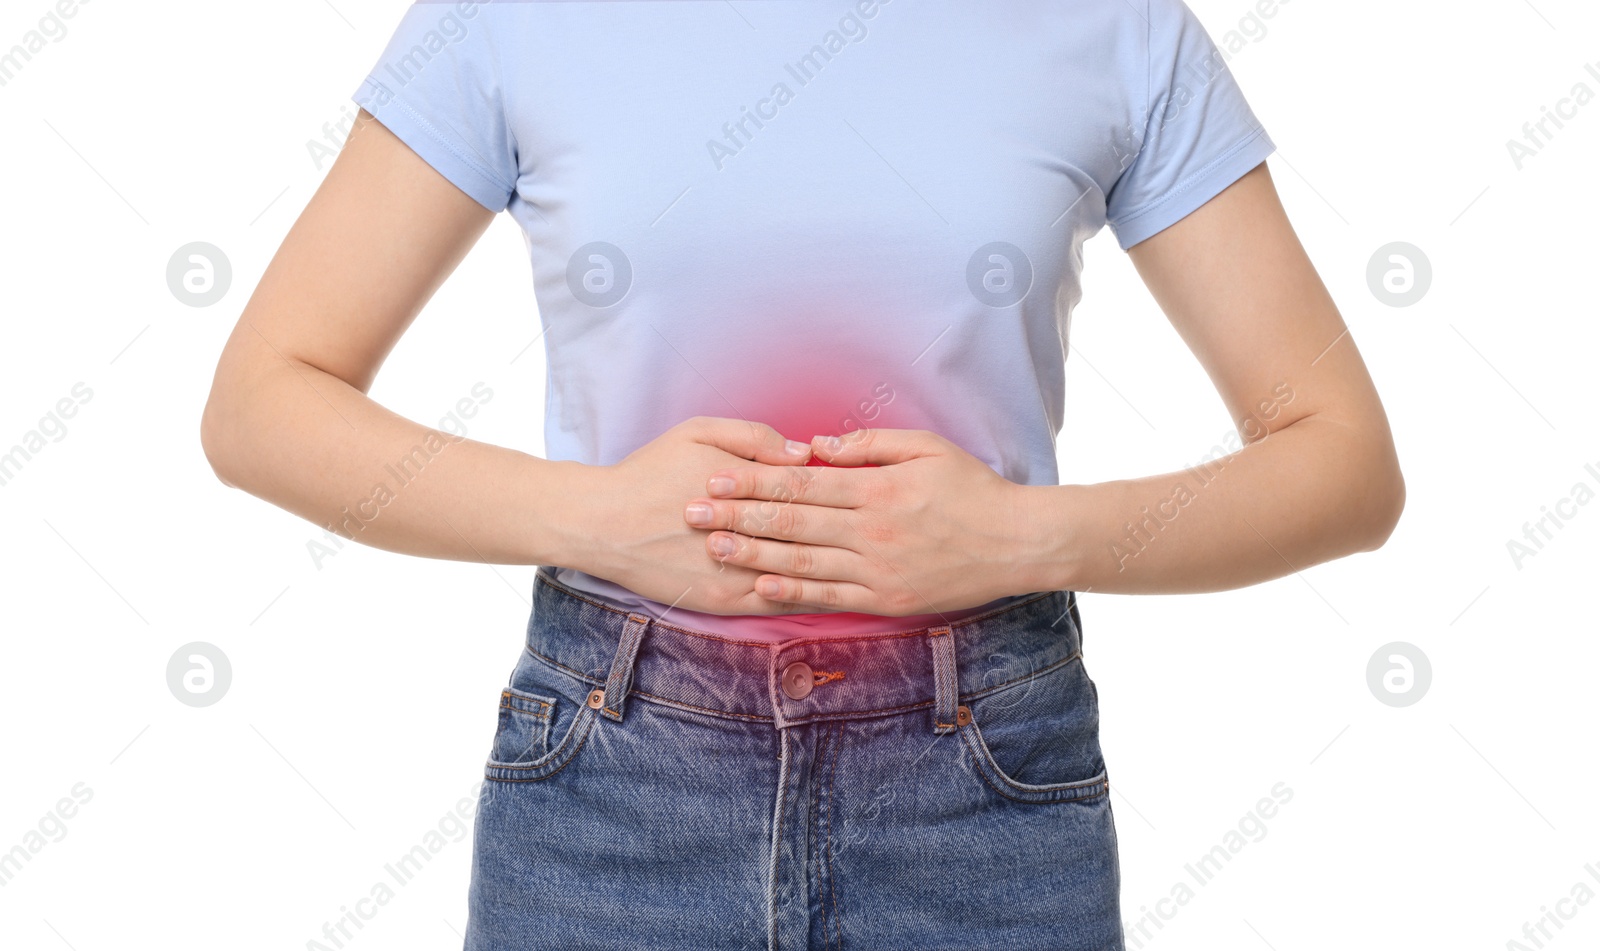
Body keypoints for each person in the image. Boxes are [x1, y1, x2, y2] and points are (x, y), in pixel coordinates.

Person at [200, 1, 1404, 948]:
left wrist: (1019, 537)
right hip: (613, 787)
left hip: (981, 783)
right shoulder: (516, 17)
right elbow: (262, 403)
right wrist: (600, 519)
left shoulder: (1116, 26)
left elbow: (1341, 461)